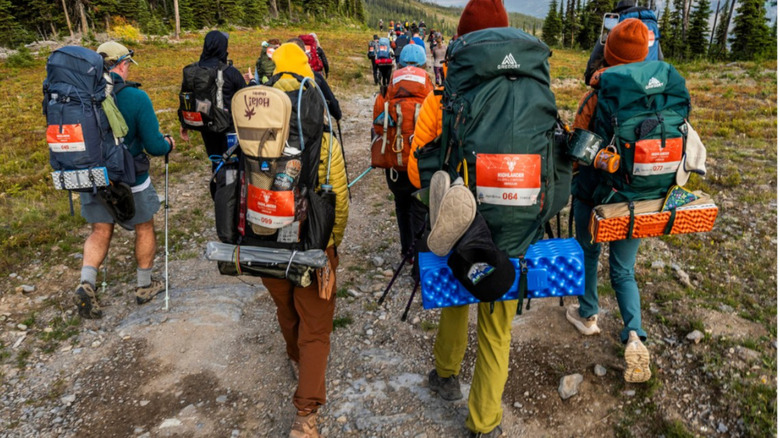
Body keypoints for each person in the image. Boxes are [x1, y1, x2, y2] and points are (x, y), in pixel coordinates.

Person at [408, 1, 523, 436]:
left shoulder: (442, 97)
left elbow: (417, 168)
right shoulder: (531, 88)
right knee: (498, 322)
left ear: (460, 41)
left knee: (458, 295)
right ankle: (484, 423)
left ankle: (445, 376)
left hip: (462, 227)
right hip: (516, 222)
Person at [260, 42, 349, 438]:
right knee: (316, 325)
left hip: (261, 233)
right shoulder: (317, 117)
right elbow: (339, 194)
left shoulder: (254, 113)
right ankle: (305, 417)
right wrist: (332, 247)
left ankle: (294, 355)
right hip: (311, 238)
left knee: (285, 305)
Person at [567, 18, 653, 384]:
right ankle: (634, 335)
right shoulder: (658, 94)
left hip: (594, 195)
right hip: (639, 199)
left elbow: (575, 150)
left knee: (588, 252)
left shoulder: (597, 96)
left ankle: (588, 315)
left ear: (608, 54)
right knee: (623, 269)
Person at [73, 41, 175, 319]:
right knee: (144, 226)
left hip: (92, 175)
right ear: (121, 64)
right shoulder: (136, 97)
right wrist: (169, 143)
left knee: (100, 230)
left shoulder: (81, 94)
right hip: (131, 177)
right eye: (128, 64)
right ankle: (144, 286)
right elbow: (154, 146)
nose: (129, 69)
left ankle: (87, 283)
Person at [372, 44, 431, 261]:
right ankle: (422, 258)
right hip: (422, 162)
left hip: (395, 165)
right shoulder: (429, 91)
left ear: (400, 63)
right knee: (421, 208)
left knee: (402, 205)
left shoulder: (388, 91)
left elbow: (379, 128)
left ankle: (407, 251)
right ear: (423, 64)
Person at [179, 30, 247, 199]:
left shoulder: (194, 70)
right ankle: (234, 200)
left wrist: (184, 123)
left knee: (216, 159)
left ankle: (218, 193)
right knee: (233, 163)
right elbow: (246, 97)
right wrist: (251, 81)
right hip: (229, 129)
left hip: (206, 126)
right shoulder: (231, 72)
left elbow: (188, 98)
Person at [583, 0, 662, 85]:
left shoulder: (617, 24)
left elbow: (596, 54)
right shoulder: (650, 25)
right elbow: (660, 57)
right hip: (649, 82)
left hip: (620, 84)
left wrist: (589, 77)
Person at [287, 38, 342, 122]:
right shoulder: (314, 77)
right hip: (308, 128)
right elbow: (330, 101)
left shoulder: (274, 77)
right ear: (304, 55)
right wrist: (337, 114)